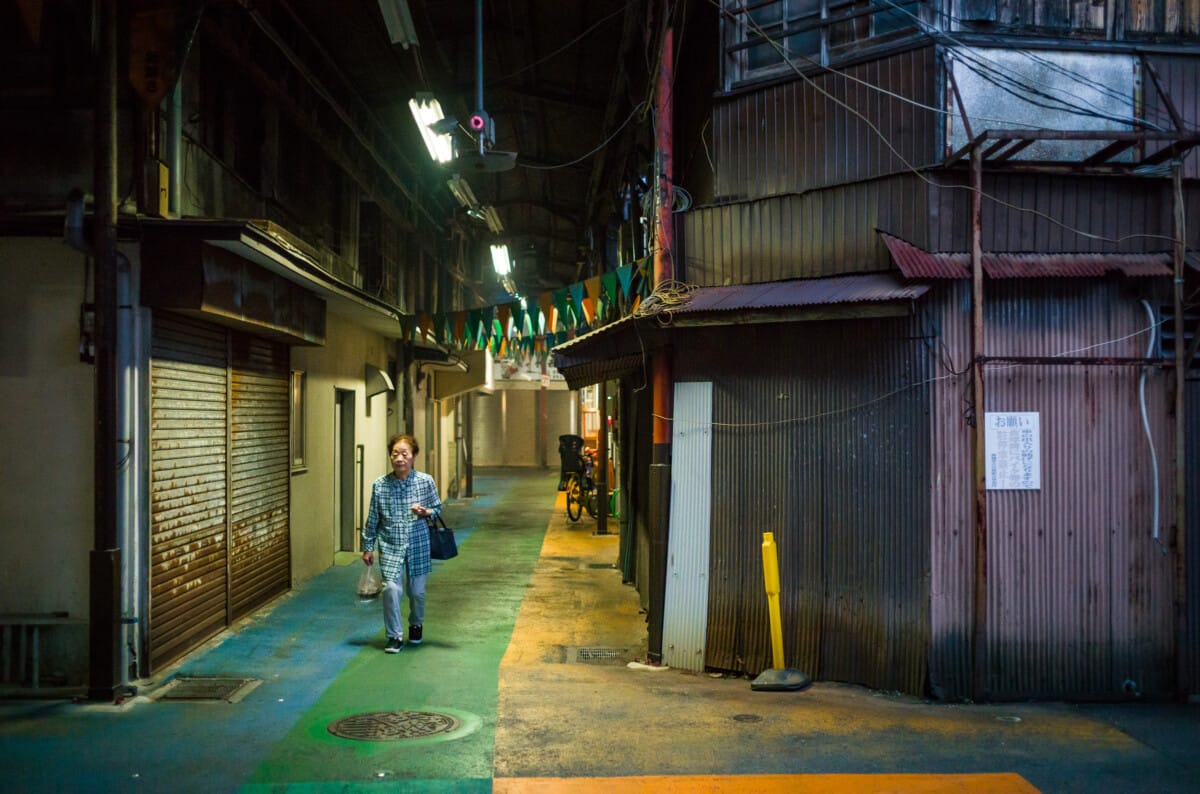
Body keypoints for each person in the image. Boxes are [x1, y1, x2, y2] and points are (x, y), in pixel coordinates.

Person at [361, 434, 442, 653]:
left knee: (416, 592)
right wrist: (367, 546)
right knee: (391, 589)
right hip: (390, 543)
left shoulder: (426, 481)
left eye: (404, 453)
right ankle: (394, 636)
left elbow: (437, 509)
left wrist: (426, 512)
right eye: (395, 453)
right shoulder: (380, 486)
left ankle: (416, 623)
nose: (399, 458)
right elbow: (372, 519)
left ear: (414, 456)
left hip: (418, 542)